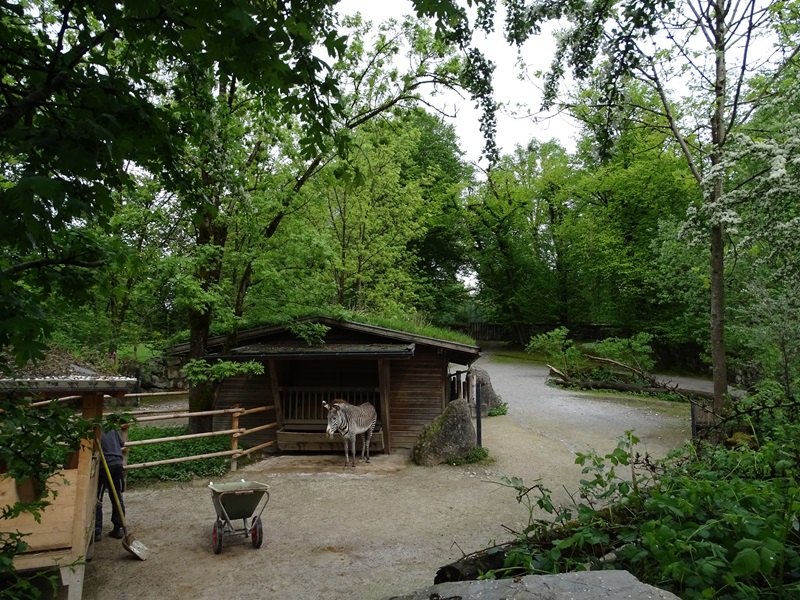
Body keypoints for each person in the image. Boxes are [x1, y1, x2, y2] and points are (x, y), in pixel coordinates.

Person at [96, 427, 126, 541]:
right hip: (117, 463)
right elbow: (122, 443)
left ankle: (96, 530)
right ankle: (119, 528)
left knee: (97, 498)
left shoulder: (94, 430)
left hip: (104, 465)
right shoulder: (111, 428)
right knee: (117, 496)